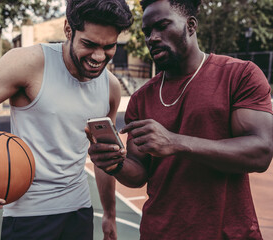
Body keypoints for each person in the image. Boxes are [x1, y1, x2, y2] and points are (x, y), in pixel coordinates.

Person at [0, 0, 132, 239]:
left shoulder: (110, 87)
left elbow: (103, 156)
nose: (98, 56)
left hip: (80, 209)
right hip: (28, 214)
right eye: (89, 44)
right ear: (68, 30)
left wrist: (109, 215)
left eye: (109, 47)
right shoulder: (29, 63)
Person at [87, 0, 273, 239]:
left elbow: (260, 152)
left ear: (191, 25)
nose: (152, 38)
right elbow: (139, 172)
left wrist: (174, 142)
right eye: (147, 32)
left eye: (162, 26)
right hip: (159, 232)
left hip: (227, 232)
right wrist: (115, 163)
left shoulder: (240, 75)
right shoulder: (141, 98)